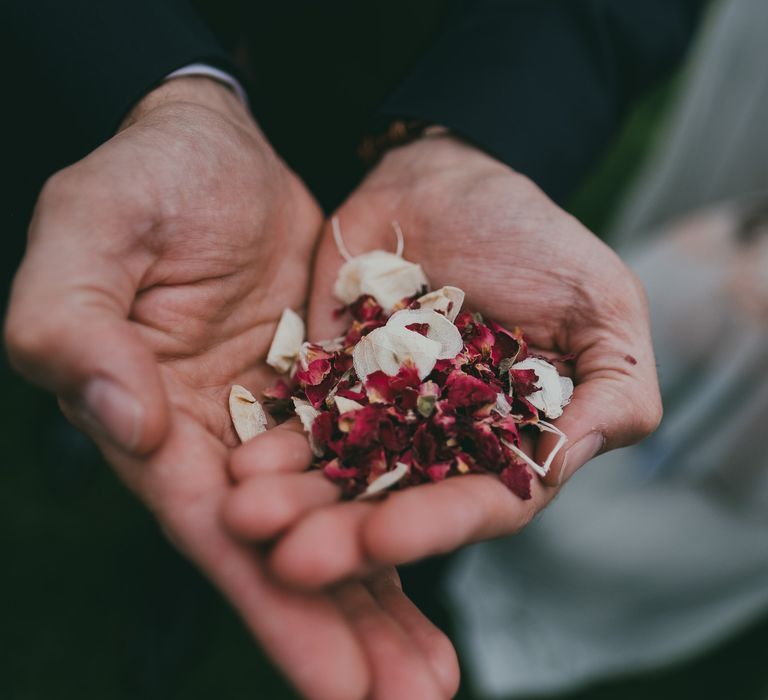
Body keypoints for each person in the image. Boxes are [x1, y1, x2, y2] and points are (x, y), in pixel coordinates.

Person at [2, 2, 703, 698]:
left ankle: (199, 579)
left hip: (417, 74)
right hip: (132, 95)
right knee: (133, 348)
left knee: (287, 502)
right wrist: (156, 85)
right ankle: (103, 437)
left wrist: (475, 143)